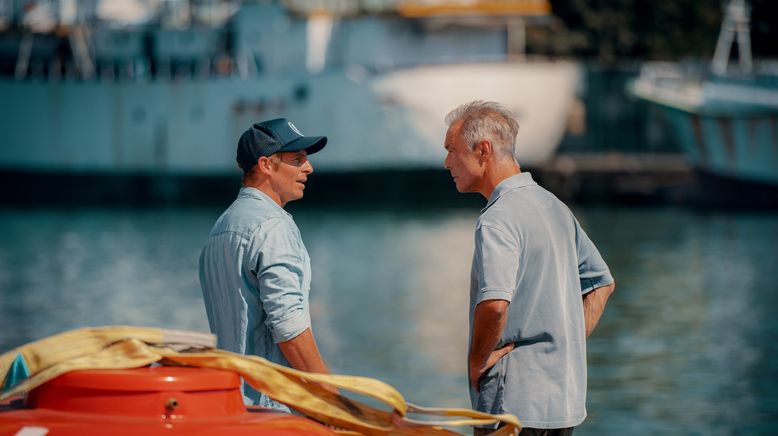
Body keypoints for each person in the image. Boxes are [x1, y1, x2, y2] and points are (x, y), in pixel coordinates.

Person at [442, 101, 616, 435]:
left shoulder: (497, 218)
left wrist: (476, 363)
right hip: (563, 402)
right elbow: (602, 283)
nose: (446, 162)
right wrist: (567, 342)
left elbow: (494, 305)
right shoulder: (555, 207)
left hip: (514, 406)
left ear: (482, 150)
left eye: (451, 150)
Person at [199, 118, 331, 412]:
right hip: (272, 409)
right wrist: (331, 396)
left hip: (230, 403)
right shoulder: (273, 228)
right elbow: (288, 326)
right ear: (266, 165)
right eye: (297, 160)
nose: (309, 168)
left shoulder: (221, 227)